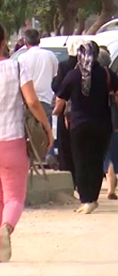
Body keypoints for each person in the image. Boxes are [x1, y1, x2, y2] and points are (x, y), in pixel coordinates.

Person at [0, 22, 53, 262]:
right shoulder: (17, 66)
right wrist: (46, 127)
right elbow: (32, 101)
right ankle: (6, 228)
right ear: (4, 42)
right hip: (12, 141)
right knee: (14, 197)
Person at [54, 41, 118, 214]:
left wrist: (57, 112)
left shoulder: (72, 75)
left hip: (78, 125)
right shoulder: (105, 73)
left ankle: (85, 199)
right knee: (96, 161)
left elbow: (60, 100)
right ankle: (93, 198)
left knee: (81, 161)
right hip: (102, 124)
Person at [18, 29, 59, 159]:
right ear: (39, 40)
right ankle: (48, 154)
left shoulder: (21, 58)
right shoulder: (50, 56)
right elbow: (55, 75)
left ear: (25, 41)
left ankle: (31, 156)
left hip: (27, 99)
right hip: (46, 98)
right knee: (46, 127)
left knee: (28, 130)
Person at [97, 47, 118, 200]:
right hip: (114, 117)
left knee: (104, 154)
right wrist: (117, 101)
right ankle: (111, 184)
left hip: (98, 117)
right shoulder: (111, 75)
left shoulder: (91, 75)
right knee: (111, 151)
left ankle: (110, 185)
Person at [52, 37, 83, 188]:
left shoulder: (64, 66)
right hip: (83, 111)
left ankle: (68, 179)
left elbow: (58, 86)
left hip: (65, 110)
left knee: (65, 146)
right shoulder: (88, 65)